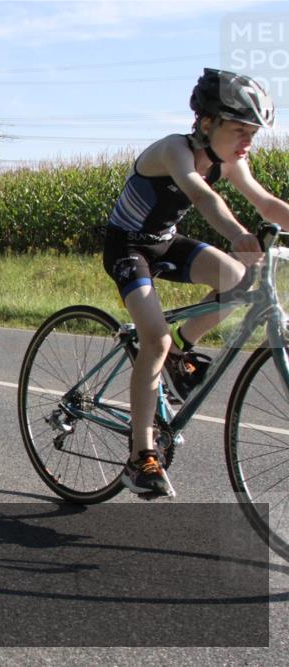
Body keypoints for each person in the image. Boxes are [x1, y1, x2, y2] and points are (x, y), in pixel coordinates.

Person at [103, 68, 289, 496]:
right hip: (128, 247)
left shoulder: (232, 161)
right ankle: (140, 457)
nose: (248, 141)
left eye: (254, 133)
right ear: (207, 123)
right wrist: (239, 235)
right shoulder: (174, 150)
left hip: (164, 243)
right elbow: (203, 196)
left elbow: (266, 202)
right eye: (240, 129)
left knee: (241, 280)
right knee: (153, 338)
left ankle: (180, 348)